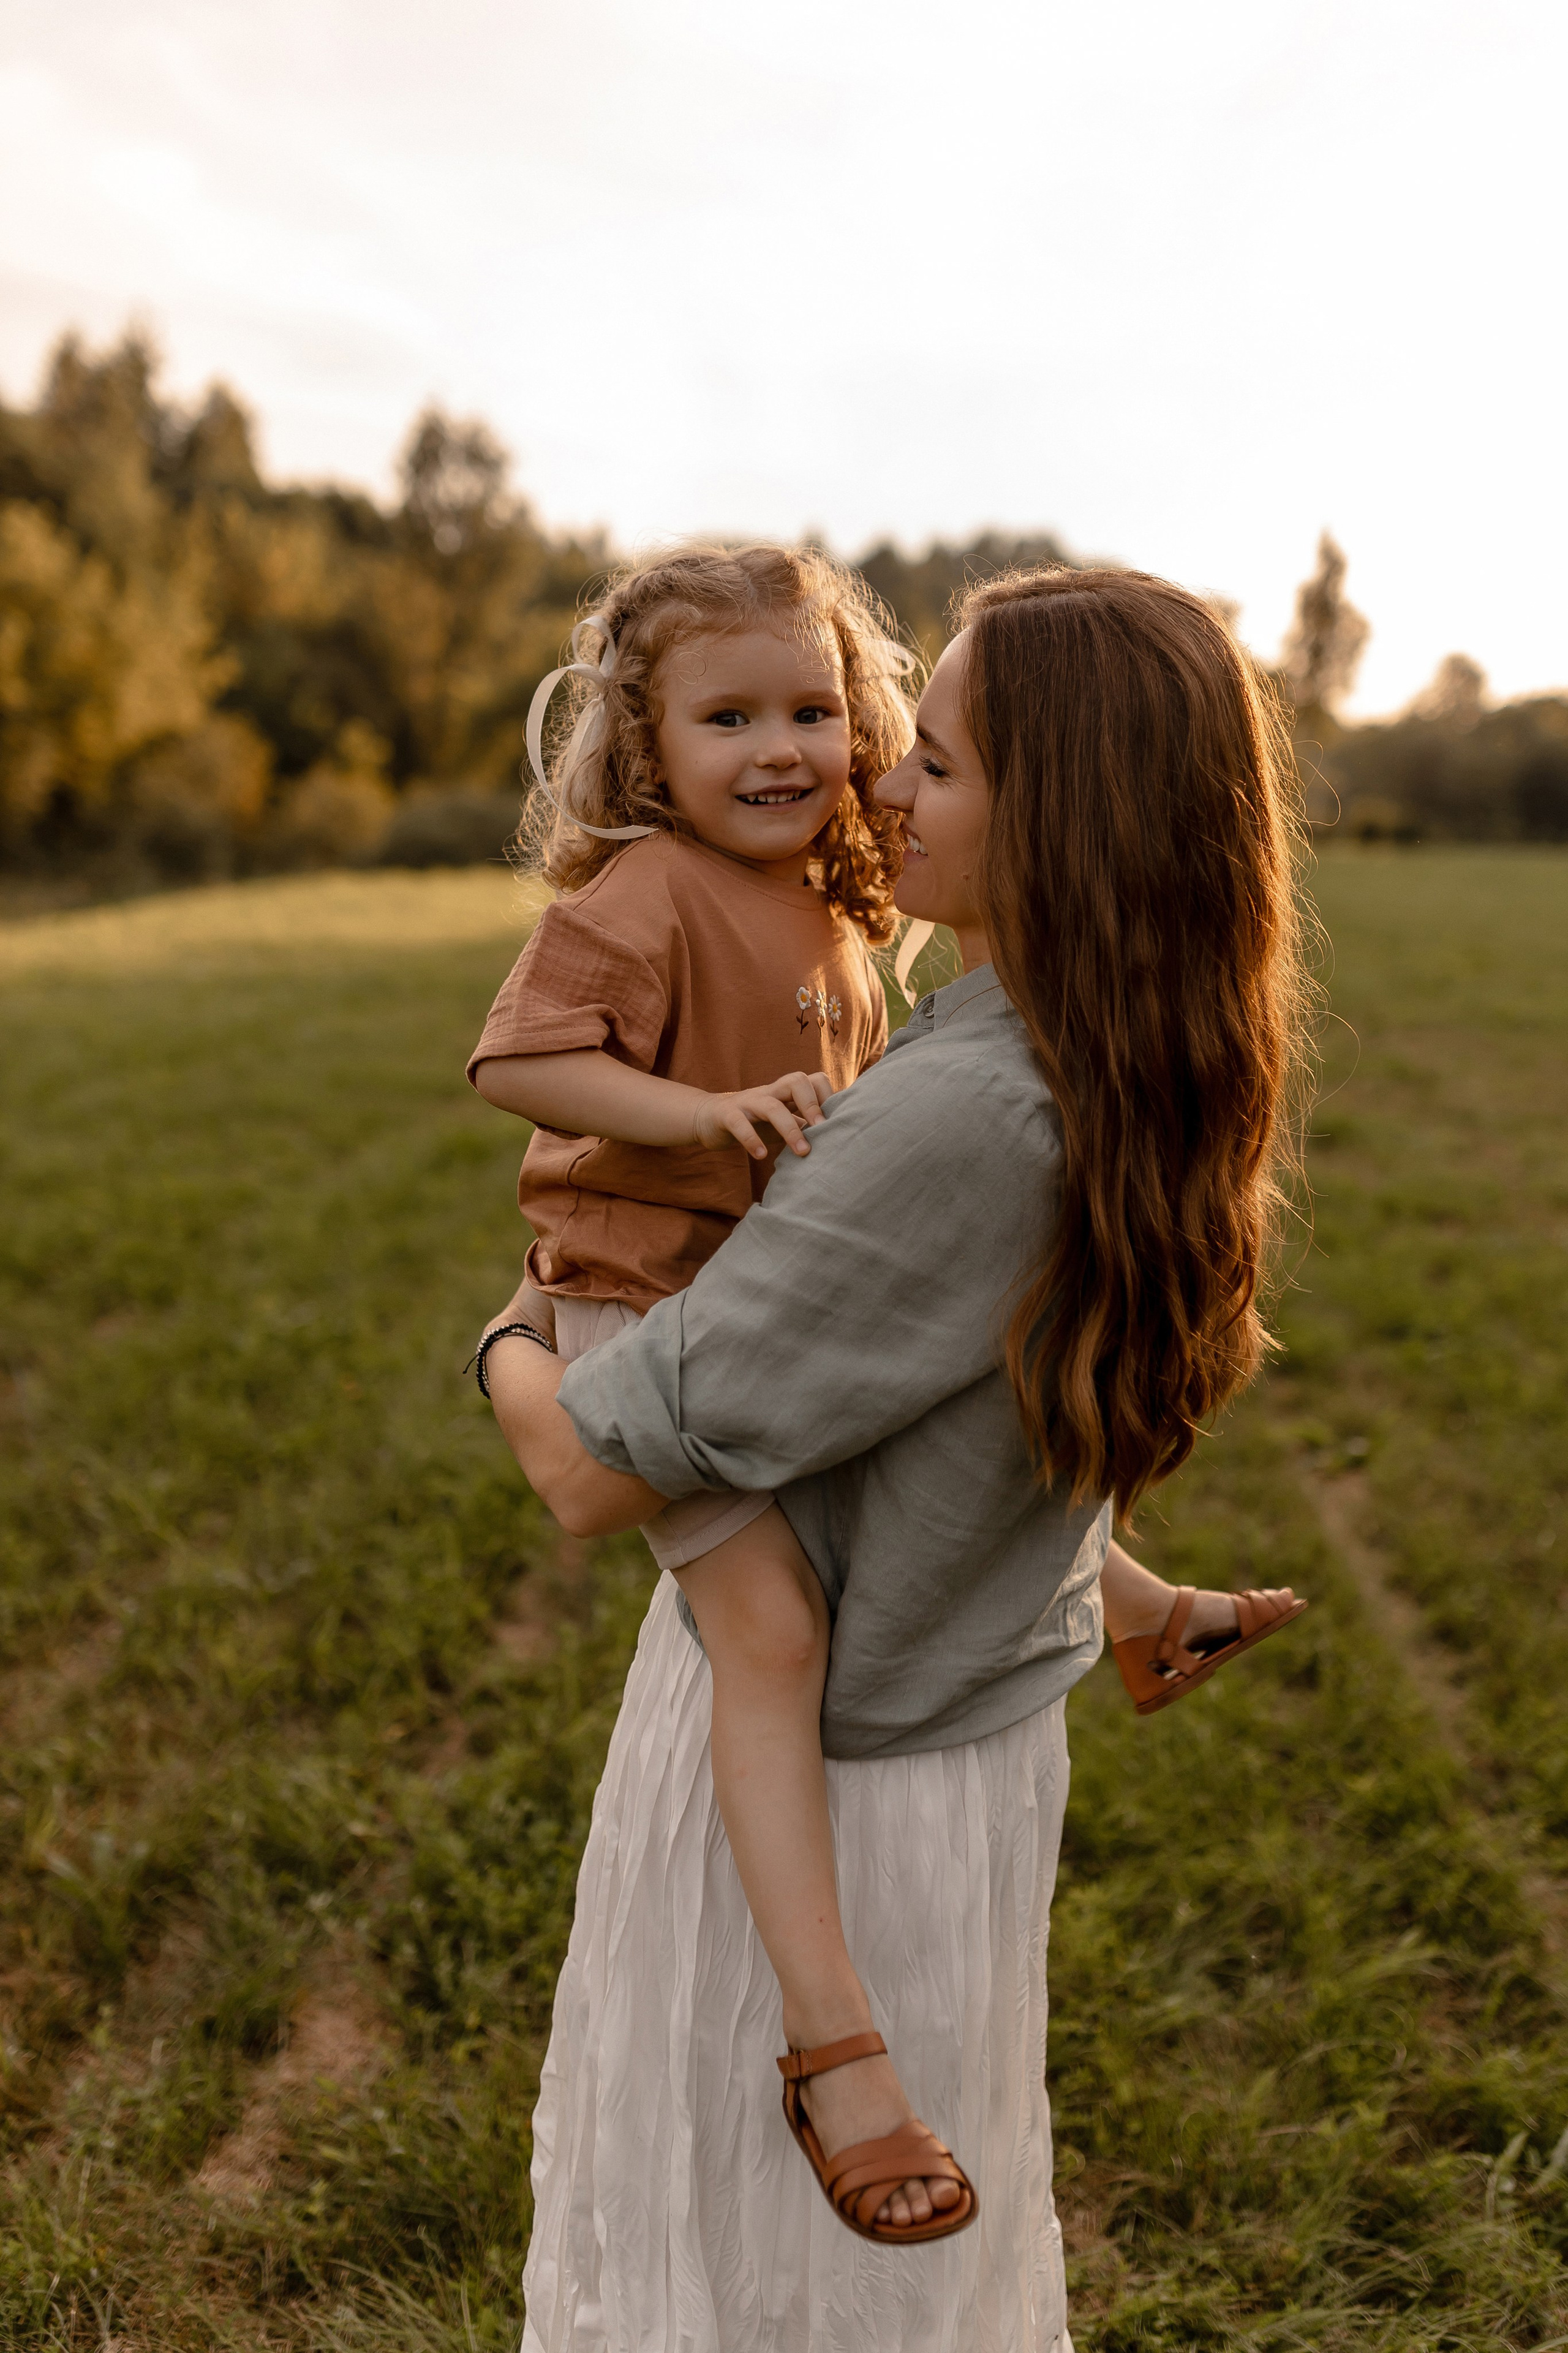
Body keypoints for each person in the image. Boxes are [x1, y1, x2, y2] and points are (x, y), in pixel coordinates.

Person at [477, 562, 1313, 2349]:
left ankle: (828, 2048)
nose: (877, 786)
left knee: (771, 2288)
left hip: (843, 1791)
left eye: (922, 755)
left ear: (1060, 813)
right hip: (973, 1731)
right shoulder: (1128, 1055)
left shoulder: (963, 1104)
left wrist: (507, 1337)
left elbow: (586, 1473)